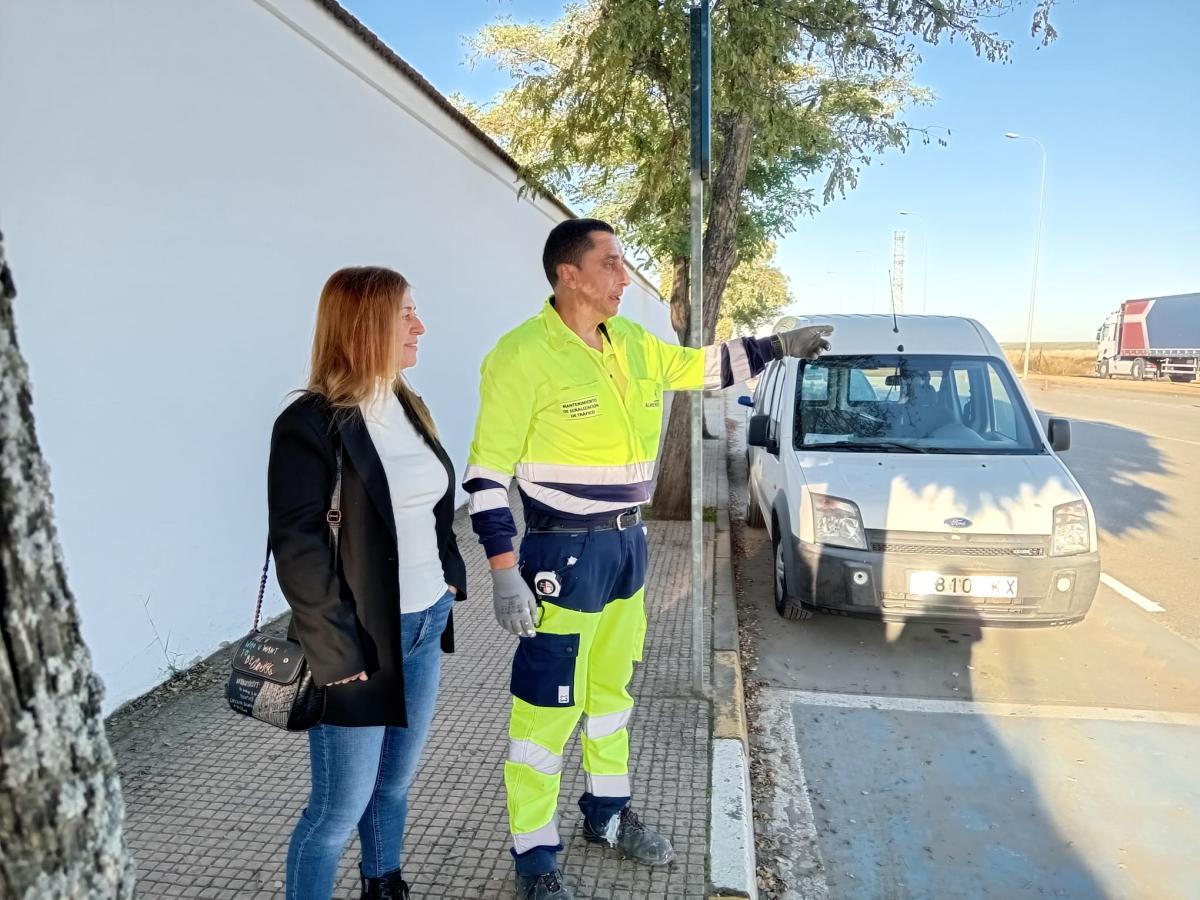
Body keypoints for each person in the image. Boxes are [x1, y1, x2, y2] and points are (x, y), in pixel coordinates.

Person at [463, 218, 833, 899]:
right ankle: (534, 853)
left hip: (628, 550)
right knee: (546, 713)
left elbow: (702, 368)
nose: (623, 276)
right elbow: (486, 477)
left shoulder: (630, 341)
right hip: (562, 554)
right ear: (568, 274)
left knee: (609, 700)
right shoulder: (520, 357)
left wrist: (778, 346)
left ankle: (605, 815)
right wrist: (503, 570)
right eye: (610, 263)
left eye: (623, 263)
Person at [268, 266, 467, 900]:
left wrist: (449, 581)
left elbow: (431, 508)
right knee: (336, 813)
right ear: (363, 325)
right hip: (358, 642)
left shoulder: (409, 404)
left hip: (424, 622)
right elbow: (298, 546)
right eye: (405, 313)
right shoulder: (310, 424)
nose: (420, 325)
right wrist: (336, 652)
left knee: (395, 784)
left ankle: (383, 885)